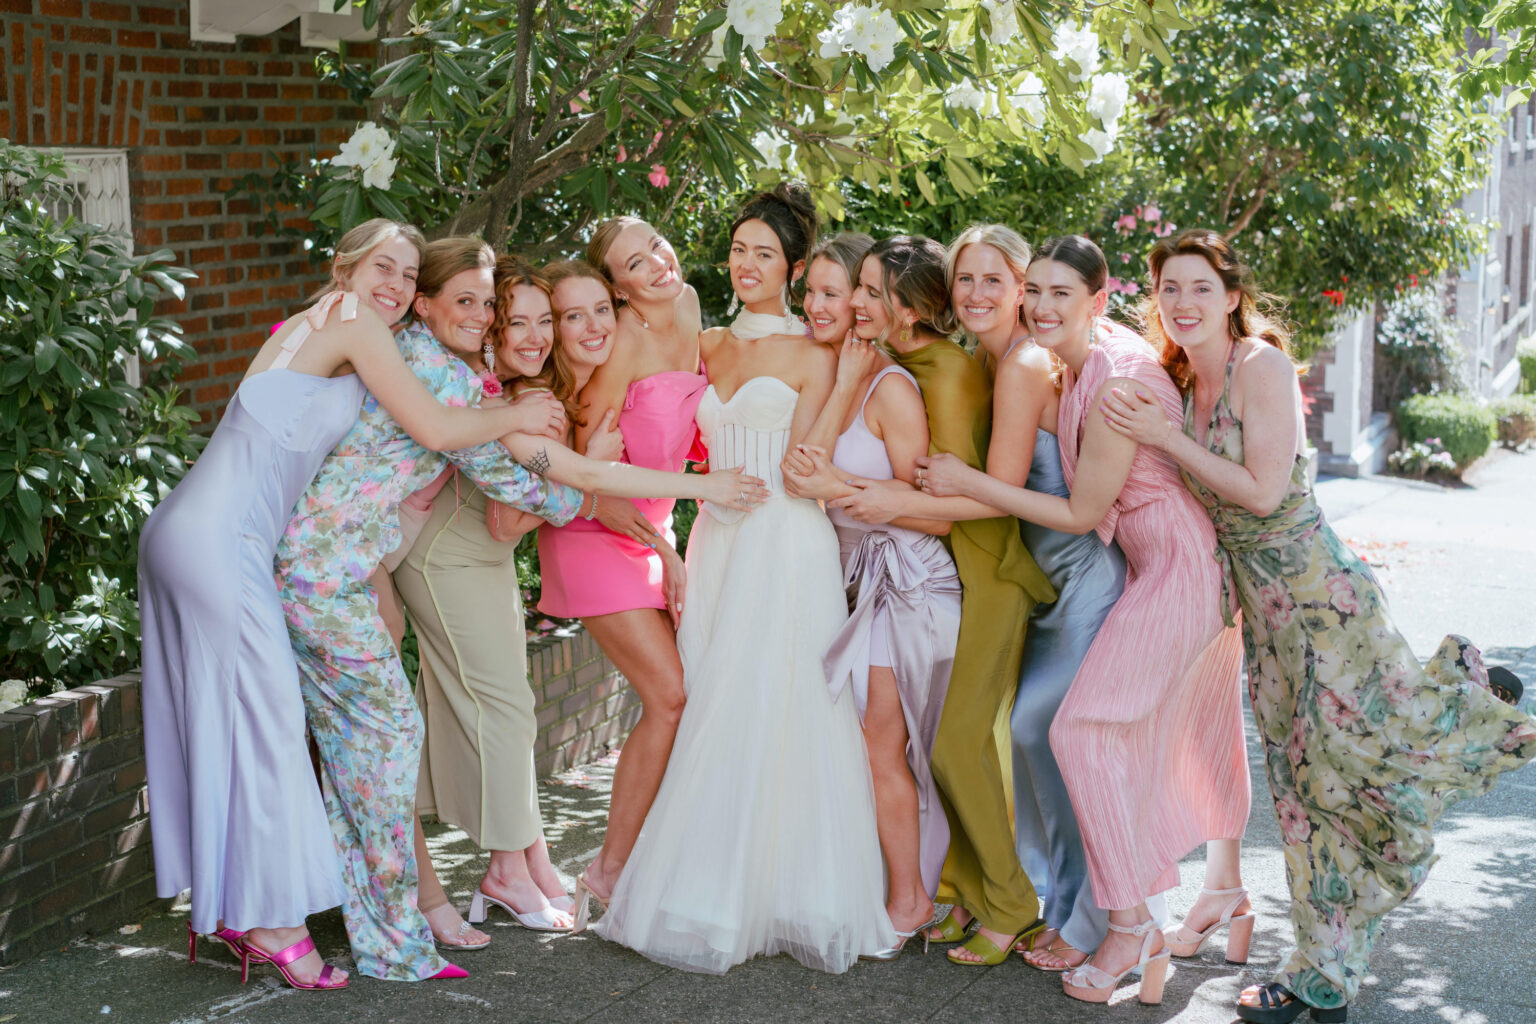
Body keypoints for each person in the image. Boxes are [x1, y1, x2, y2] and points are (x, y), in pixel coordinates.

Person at [273, 237, 768, 982]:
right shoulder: (458, 381)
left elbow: (533, 482)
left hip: (356, 559)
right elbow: (526, 495)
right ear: (430, 307)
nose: (517, 330)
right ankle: (431, 909)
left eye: (500, 309)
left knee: (411, 729)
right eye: (484, 309)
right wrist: (648, 486)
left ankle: (457, 893)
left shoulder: (470, 375)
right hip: (350, 564)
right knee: (413, 733)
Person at [1100, 229, 1536, 1023]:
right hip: (1260, 616)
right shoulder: (1173, 379)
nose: (1184, 303)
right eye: (1169, 289)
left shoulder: (1257, 366)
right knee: (1305, 787)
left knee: (1345, 765)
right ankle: (1324, 973)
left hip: (1316, 592)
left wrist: (1164, 440)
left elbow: (1263, 494)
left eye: (1201, 287)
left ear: (1232, 297)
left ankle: (1474, 704)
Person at [140, 218, 560, 990]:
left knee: (236, 726)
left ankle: (247, 915)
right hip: (221, 541)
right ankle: (272, 926)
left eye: (407, 273)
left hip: (196, 530)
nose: (396, 286)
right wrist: (518, 414)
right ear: (344, 269)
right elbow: (435, 426)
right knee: (268, 729)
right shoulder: (353, 323)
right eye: (384, 268)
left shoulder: (328, 331)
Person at [918, 235, 1251, 1006]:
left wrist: (968, 481)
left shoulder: (1113, 381)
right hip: (1147, 566)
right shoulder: (1080, 358)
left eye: (1059, 293)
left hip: (1171, 569)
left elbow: (1080, 512)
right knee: (1094, 736)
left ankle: (1128, 923)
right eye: (1033, 290)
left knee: (1074, 732)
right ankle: (1156, 909)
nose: (1038, 305)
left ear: (1098, 301)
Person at [591, 184, 897, 973]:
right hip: (718, 541)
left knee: (785, 705)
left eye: (765, 252)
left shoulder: (817, 350)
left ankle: (792, 892)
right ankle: (702, 886)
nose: (747, 263)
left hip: (786, 543)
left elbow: (806, 472)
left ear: (793, 267)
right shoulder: (709, 342)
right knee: (713, 699)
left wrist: (839, 391)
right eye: (738, 249)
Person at [832, 224, 1134, 970]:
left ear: (1022, 284)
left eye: (994, 280)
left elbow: (989, 496)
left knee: (969, 739)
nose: (975, 294)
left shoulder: (1023, 364)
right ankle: (979, 888)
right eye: (964, 279)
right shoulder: (978, 358)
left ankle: (1014, 906)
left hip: (1014, 569)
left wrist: (880, 499)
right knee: (974, 741)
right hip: (991, 567)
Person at [393, 259, 619, 942]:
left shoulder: (522, 390)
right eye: (514, 320)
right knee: (501, 706)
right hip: (449, 554)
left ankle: (529, 860)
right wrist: (593, 471)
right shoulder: (499, 397)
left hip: (478, 558)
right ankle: (505, 870)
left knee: (501, 703)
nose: (536, 335)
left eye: (543, 320)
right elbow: (507, 519)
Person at [782, 231, 959, 957]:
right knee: (874, 744)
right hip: (860, 582)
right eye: (834, 292)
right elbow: (800, 475)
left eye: (861, 292)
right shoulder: (846, 375)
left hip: (908, 578)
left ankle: (912, 899)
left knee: (884, 745)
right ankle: (907, 885)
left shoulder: (894, 388)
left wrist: (843, 489)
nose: (850, 304)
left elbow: (934, 511)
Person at [538, 218, 709, 909]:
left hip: (655, 525)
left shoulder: (693, 305)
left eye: (657, 247)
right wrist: (667, 554)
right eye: (636, 265)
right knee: (669, 697)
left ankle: (642, 859)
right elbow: (586, 483)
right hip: (594, 532)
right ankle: (609, 870)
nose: (658, 266)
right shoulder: (623, 346)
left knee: (683, 697)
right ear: (619, 287)